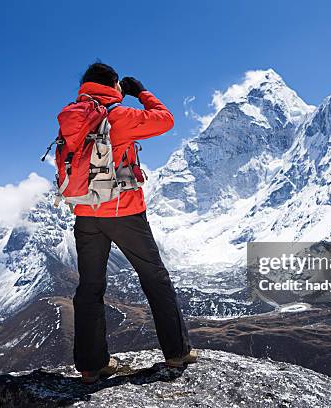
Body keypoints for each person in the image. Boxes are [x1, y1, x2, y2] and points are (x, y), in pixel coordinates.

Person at [71, 62, 196, 384]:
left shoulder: (72, 117)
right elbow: (166, 120)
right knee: (155, 278)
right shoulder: (118, 115)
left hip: (85, 213)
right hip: (123, 212)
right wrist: (141, 92)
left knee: (90, 287)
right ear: (114, 85)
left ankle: (91, 365)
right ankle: (177, 351)